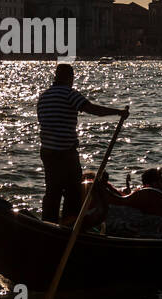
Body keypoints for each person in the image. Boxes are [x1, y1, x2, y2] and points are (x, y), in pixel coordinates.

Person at [37, 62, 128, 223]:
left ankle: (48, 222)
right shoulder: (70, 94)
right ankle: (68, 223)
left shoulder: (44, 96)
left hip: (47, 151)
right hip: (65, 152)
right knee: (73, 192)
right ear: (70, 78)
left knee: (53, 190)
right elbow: (94, 110)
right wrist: (118, 112)